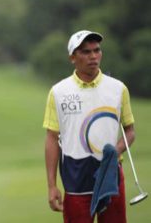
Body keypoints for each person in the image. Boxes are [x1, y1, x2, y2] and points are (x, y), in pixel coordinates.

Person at [43, 30, 135, 223]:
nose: (93, 56)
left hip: (111, 177)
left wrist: (115, 151)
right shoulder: (58, 92)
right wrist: (52, 186)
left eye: (97, 50)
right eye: (86, 52)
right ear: (72, 58)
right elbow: (52, 138)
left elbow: (130, 131)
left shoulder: (118, 89)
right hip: (76, 177)